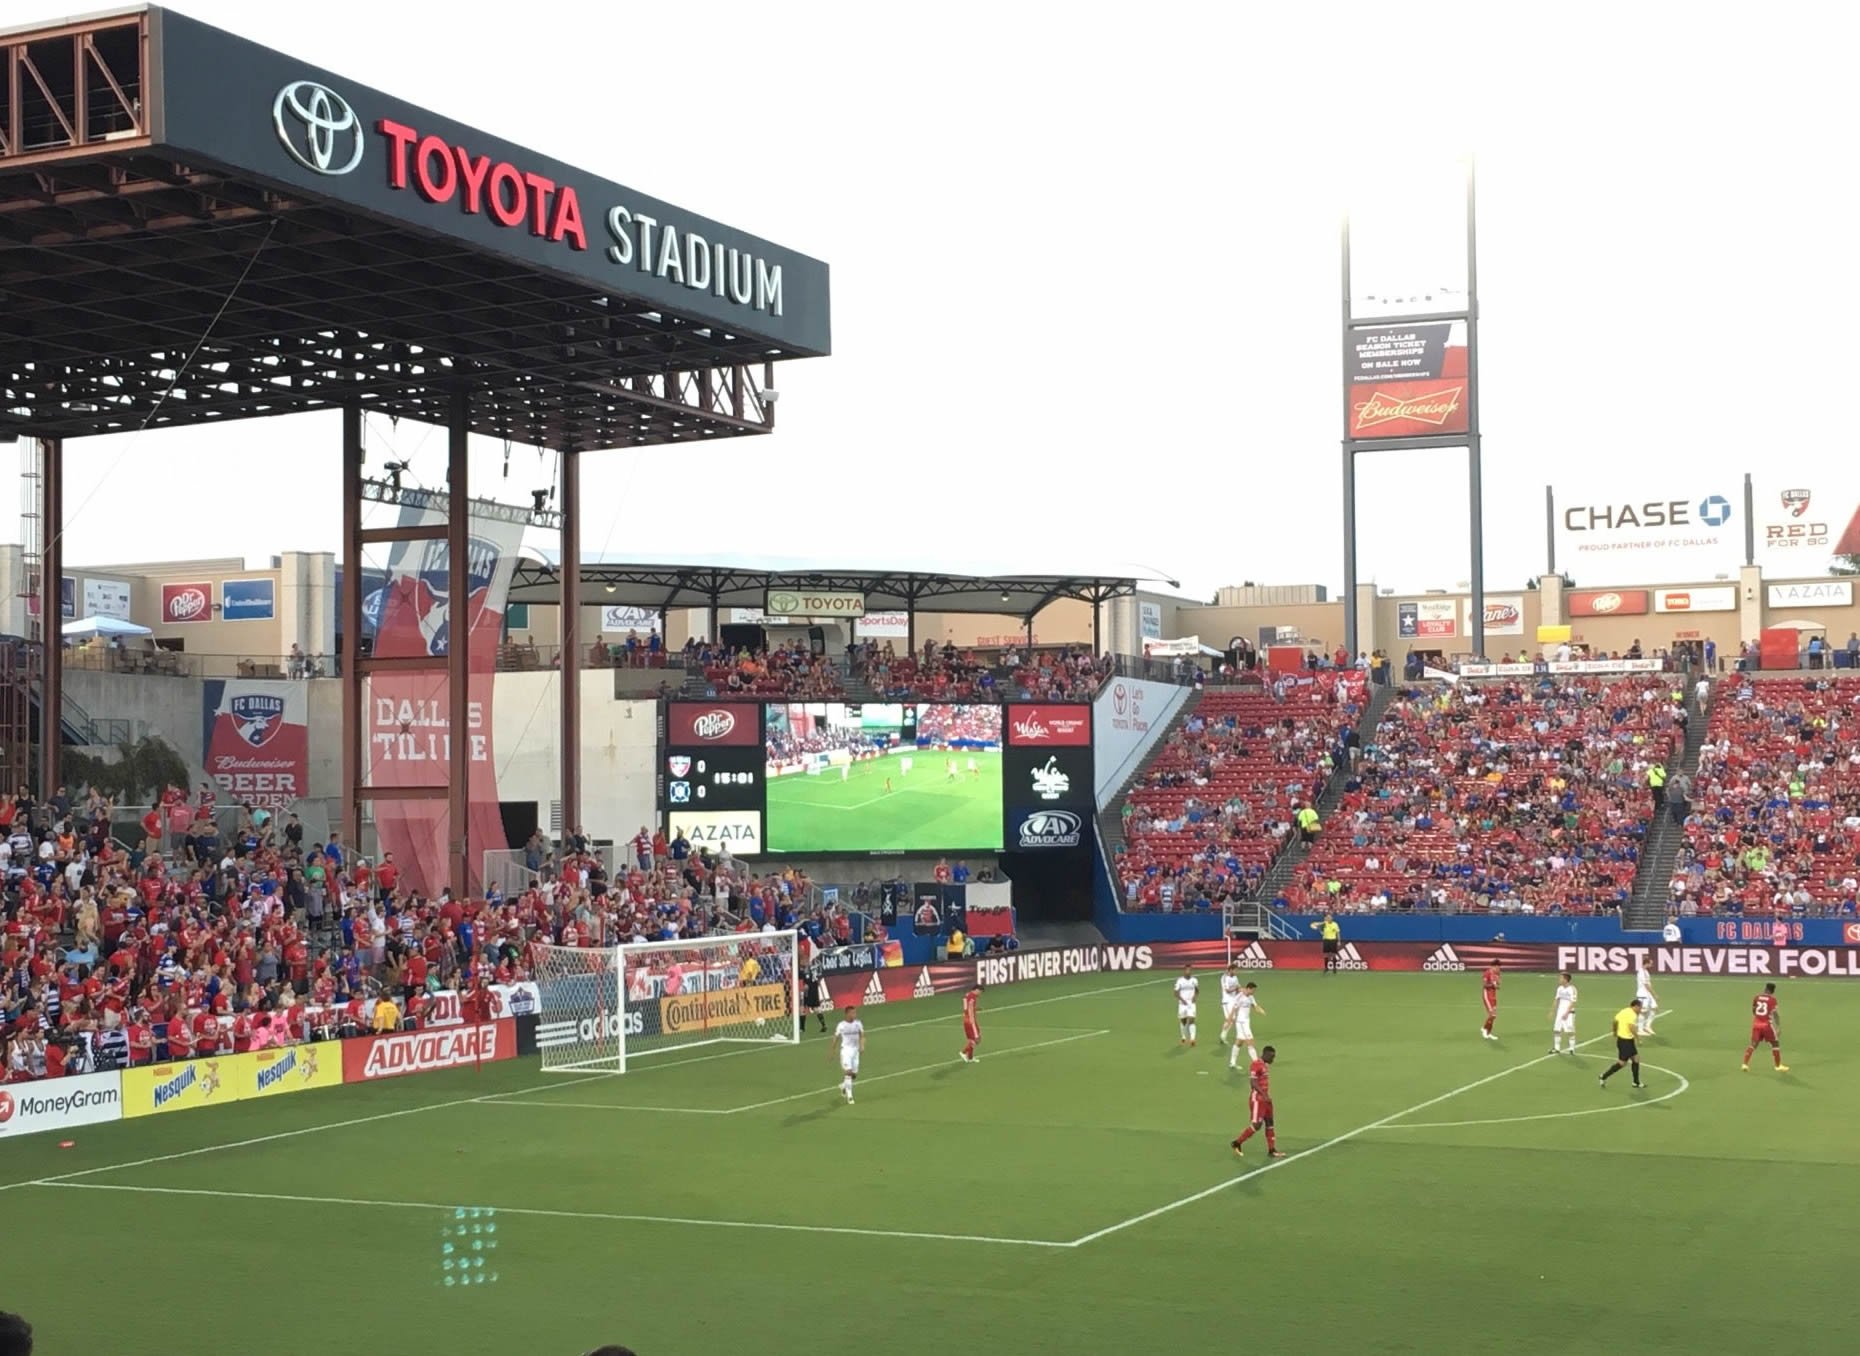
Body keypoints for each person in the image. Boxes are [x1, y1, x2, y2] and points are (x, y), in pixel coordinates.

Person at [1230, 1045, 1285, 1159]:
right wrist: (1264, 1095)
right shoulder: (1256, 1064)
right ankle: (1237, 1143)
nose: (1273, 1060)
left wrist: (1267, 1096)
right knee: (1257, 1125)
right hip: (1258, 1099)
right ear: (1266, 1054)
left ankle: (1272, 1150)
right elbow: (1253, 1082)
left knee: (1270, 1123)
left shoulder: (1265, 1065)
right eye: (1272, 1057)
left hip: (1266, 1100)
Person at [1743, 982, 1788, 1073]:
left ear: (1765, 989)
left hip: (1756, 1024)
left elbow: (1754, 1010)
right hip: (1767, 1025)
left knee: (1753, 1044)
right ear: (1772, 991)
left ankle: (1745, 1064)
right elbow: (1776, 1014)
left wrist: (1758, 1018)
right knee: (1775, 1043)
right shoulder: (1772, 999)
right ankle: (1778, 1066)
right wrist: (1778, 1026)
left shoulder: (1757, 997)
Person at [1599, 999, 1644, 1089]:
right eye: (1640, 1008)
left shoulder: (1624, 1011)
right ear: (1635, 1006)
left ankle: (1636, 1082)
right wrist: (1638, 1038)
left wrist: (1615, 1032)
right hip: (1625, 1041)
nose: (1640, 1010)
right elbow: (1631, 1027)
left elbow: (1615, 1021)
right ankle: (1603, 1076)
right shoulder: (1632, 1014)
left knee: (1636, 1059)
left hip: (1626, 1040)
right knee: (1622, 1063)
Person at [1227, 981, 1264, 1070]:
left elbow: (1254, 1006)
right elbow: (1234, 1008)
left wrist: (1260, 1010)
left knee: (1239, 1042)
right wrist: (1229, 1020)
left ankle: (1232, 1062)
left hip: (1246, 1022)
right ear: (1249, 988)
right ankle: (1257, 1064)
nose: (1254, 992)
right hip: (1241, 1022)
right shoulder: (1240, 997)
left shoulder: (1251, 997)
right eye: (1253, 990)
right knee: (1250, 1041)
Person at [832, 1004, 864, 1104]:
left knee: (854, 1075)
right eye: (853, 1013)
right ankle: (849, 1096)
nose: (855, 1015)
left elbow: (862, 1035)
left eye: (855, 1013)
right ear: (847, 1014)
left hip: (855, 1051)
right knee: (848, 1072)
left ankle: (843, 1086)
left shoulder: (858, 1023)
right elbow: (835, 1037)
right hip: (846, 1051)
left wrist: (862, 1045)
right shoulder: (841, 1025)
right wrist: (832, 1051)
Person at [1548, 971, 1579, 1055]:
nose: (1559, 979)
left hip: (1569, 1013)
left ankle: (1572, 1048)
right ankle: (1556, 1048)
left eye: (1561, 978)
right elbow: (1556, 1000)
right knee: (1556, 1030)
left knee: (1570, 1031)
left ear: (1565, 979)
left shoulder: (1572, 989)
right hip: (1560, 1012)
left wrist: (1567, 1013)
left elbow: (1573, 1002)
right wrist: (1552, 1011)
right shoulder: (1559, 988)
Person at [1173, 964, 1199, 1047]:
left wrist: (1195, 996)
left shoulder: (1194, 980)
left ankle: (1192, 1039)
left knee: (1191, 1019)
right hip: (1182, 1004)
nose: (1188, 972)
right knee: (1183, 1021)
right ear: (1184, 971)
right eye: (1187, 970)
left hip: (1191, 1003)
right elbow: (1175, 993)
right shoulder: (1180, 981)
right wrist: (1182, 1000)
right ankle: (1184, 1036)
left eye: (1190, 970)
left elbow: (1197, 990)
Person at [800, 962, 827, 1034]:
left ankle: (802, 1029)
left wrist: (806, 986)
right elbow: (818, 980)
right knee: (813, 1008)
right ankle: (823, 1025)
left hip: (809, 992)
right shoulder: (814, 969)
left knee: (803, 1008)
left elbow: (806, 984)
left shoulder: (806, 971)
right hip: (814, 991)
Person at [1634, 958, 1659, 1036]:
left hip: (1647, 994)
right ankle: (1640, 1030)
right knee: (1643, 1011)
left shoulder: (1646, 971)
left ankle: (1647, 1026)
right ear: (1646, 963)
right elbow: (1646, 985)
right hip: (1643, 994)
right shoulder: (1641, 972)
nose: (1652, 965)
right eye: (1651, 963)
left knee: (1654, 1008)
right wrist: (1654, 994)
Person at [1480, 959, 1502, 1040]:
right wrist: (1493, 985)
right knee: (1492, 1014)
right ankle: (1485, 1031)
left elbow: (1498, 983)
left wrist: (1497, 983)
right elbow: (1485, 985)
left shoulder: (1498, 973)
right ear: (1493, 966)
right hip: (1487, 995)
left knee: (1493, 1016)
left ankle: (1487, 1031)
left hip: (1493, 996)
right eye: (1498, 967)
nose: (1499, 969)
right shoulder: (1487, 973)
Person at [959, 982, 982, 1062]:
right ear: (976, 990)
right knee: (977, 1039)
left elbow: (966, 1008)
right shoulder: (973, 997)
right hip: (971, 1020)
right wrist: (973, 1019)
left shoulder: (967, 995)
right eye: (980, 991)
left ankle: (970, 1057)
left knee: (971, 1039)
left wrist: (976, 1009)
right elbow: (970, 1008)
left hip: (965, 1019)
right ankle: (963, 1052)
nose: (980, 994)